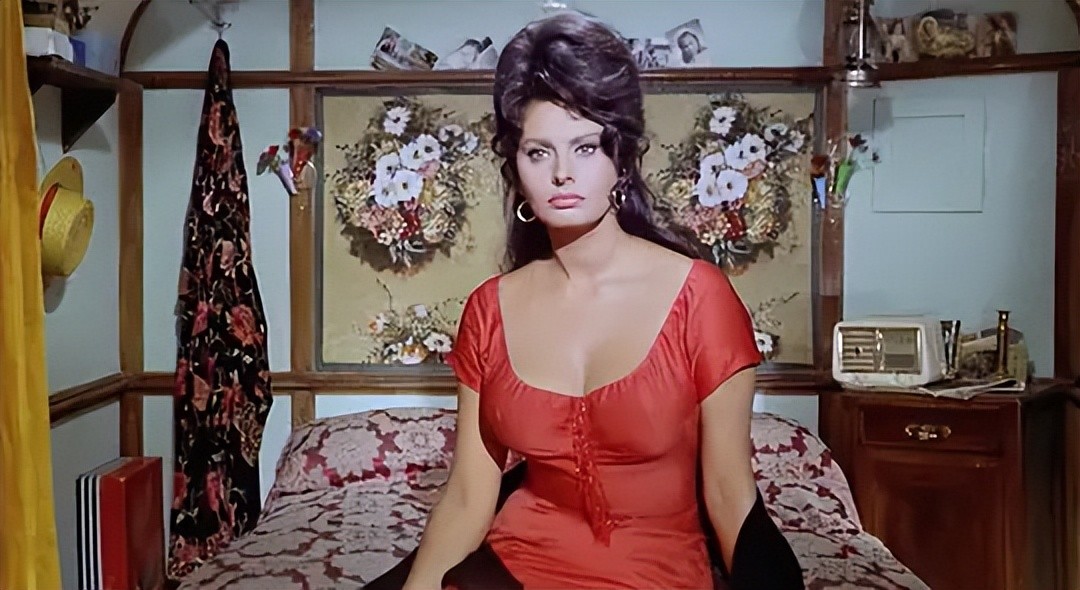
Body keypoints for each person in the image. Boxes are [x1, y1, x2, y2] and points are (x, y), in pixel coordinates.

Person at [370, 11, 803, 590]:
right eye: (538, 152)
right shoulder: (489, 310)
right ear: (515, 166)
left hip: (656, 575)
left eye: (585, 148)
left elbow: (730, 495)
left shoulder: (700, 298)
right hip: (510, 568)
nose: (562, 174)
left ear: (619, 157)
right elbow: (469, 497)